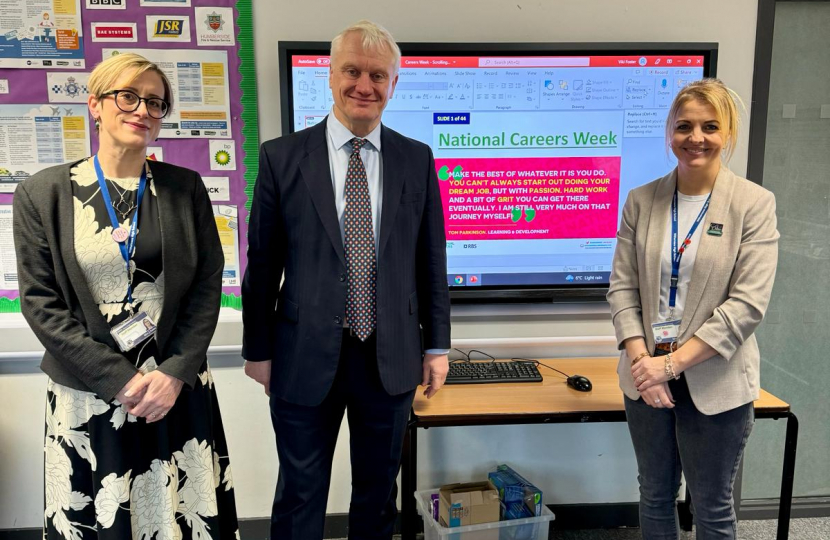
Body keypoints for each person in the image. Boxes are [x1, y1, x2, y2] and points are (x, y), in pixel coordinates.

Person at [14, 53, 239, 539]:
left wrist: (174, 374)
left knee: (181, 516)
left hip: (173, 391)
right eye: (128, 96)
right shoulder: (42, 193)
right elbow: (40, 302)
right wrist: (118, 380)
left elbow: (206, 286)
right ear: (95, 104)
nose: (142, 110)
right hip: (87, 394)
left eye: (155, 103)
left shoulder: (185, 188)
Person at [242, 20, 451, 540]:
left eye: (378, 75)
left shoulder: (416, 158)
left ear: (393, 84)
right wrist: (257, 349)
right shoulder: (282, 157)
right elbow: (263, 263)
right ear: (330, 77)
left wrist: (438, 345)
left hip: (391, 355)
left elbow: (431, 260)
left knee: (379, 493)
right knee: (300, 490)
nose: (364, 85)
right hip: (301, 352)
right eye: (352, 71)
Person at [607, 78, 779, 539]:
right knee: (655, 495)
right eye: (684, 126)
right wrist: (645, 362)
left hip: (715, 380)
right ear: (670, 133)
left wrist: (670, 365)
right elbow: (622, 289)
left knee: (712, 506)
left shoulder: (754, 205)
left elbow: (746, 306)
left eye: (709, 126)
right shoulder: (641, 201)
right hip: (645, 376)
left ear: (727, 133)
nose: (696, 138)